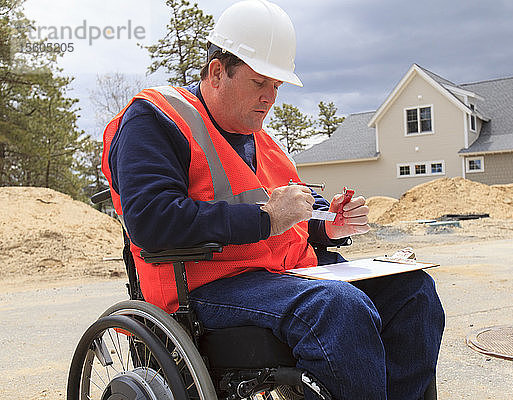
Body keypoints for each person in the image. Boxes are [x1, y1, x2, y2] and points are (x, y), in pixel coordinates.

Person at [101, 0, 444, 399]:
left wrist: (327, 223)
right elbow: (152, 221)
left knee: (414, 290)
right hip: (208, 285)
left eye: (276, 87)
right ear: (217, 72)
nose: (270, 98)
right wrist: (266, 219)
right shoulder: (155, 119)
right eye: (259, 83)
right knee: (338, 308)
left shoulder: (259, 137)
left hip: (279, 274)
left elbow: (293, 207)